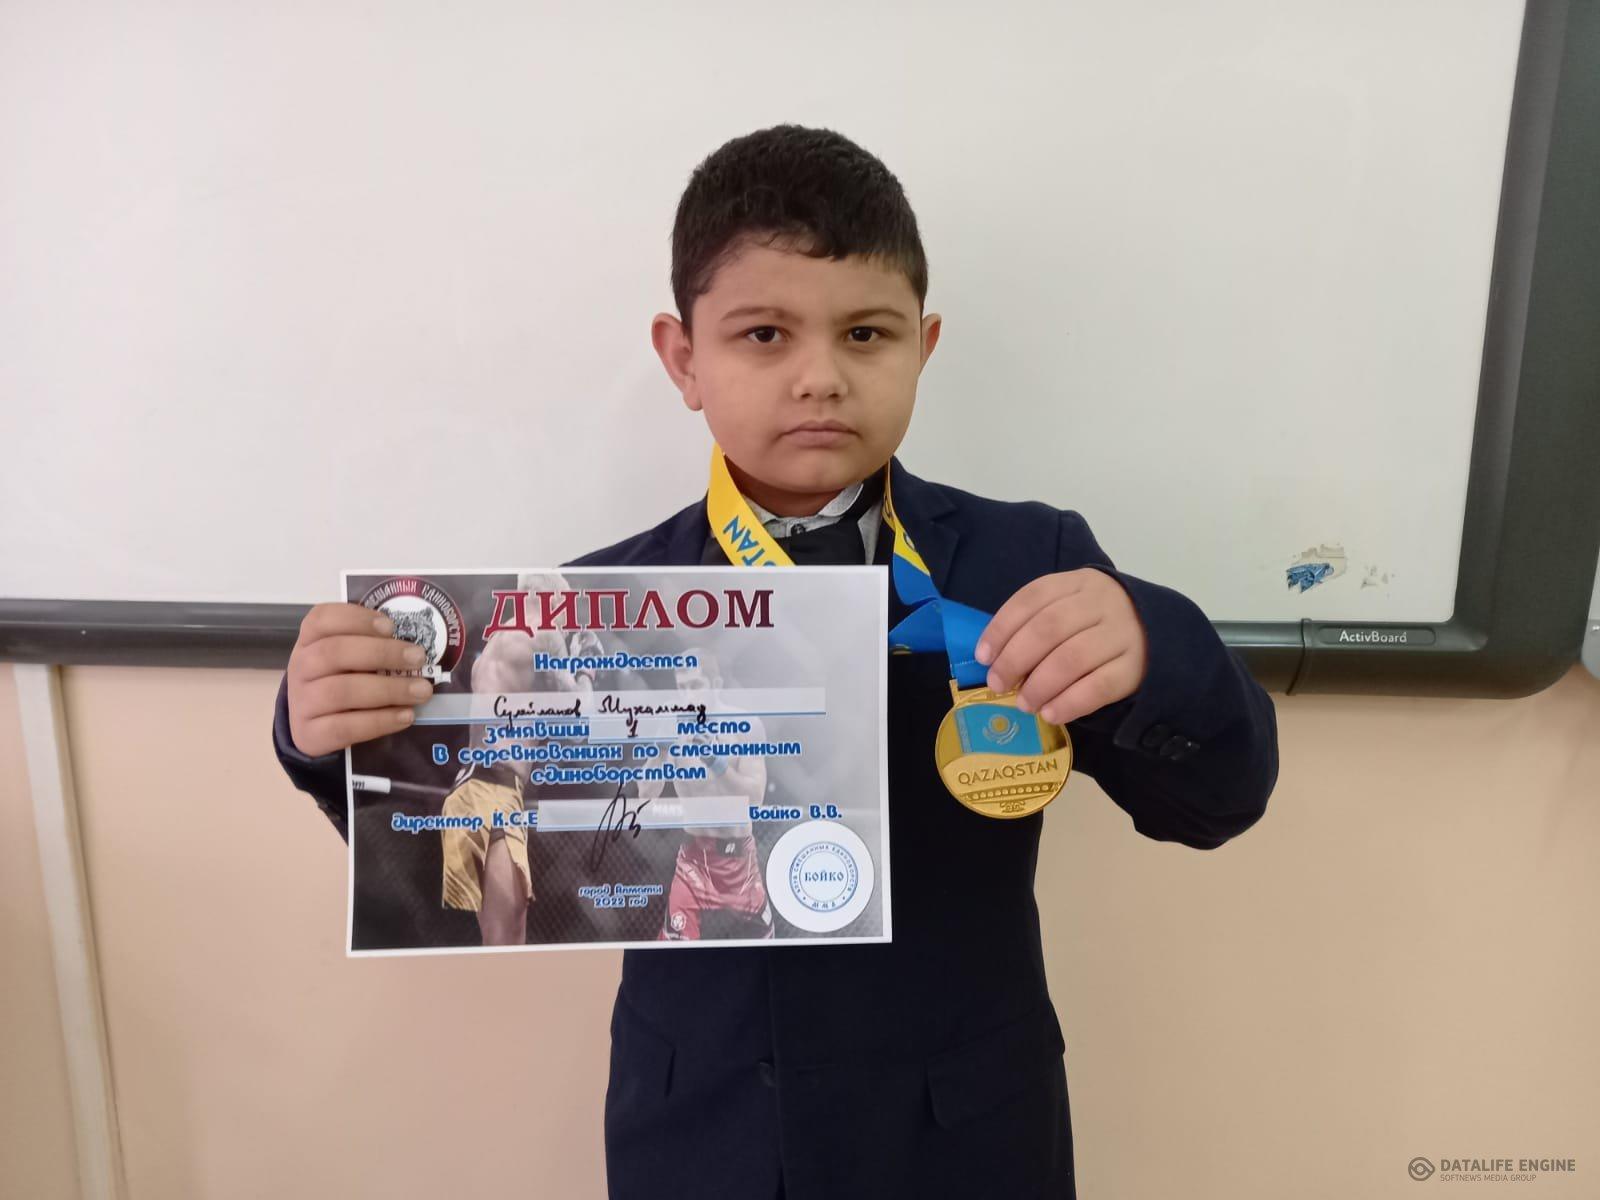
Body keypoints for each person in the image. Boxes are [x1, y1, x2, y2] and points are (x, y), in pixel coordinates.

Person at [273, 124, 1278, 1199]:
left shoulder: (1030, 563)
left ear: (924, 347)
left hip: (962, 1141)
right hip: (702, 1137)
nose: (820, 378)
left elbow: (1217, 800)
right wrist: (326, 735)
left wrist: (1153, 646)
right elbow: (458, 857)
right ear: (683, 359)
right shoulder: (587, 610)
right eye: (763, 334)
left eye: (866, 334)